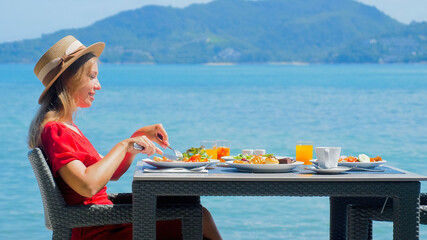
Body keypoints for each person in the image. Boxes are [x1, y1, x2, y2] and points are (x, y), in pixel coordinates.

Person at [28, 35, 222, 240]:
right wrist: (123, 145)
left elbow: (111, 173)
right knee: (198, 217)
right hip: (98, 230)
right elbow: (88, 185)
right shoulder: (56, 131)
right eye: (92, 76)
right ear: (69, 79)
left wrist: (136, 138)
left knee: (190, 207)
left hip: (105, 222)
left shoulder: (67, 128)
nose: (99, 85)